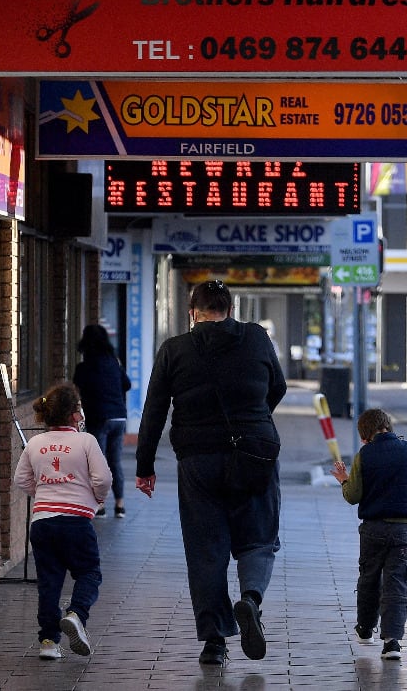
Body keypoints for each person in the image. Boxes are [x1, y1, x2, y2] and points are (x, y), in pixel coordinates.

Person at [135, 279, 287, 666]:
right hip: (254, 456)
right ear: (231, 310)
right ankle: (250, 599)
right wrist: (254, 420)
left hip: (198, 463)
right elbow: (279, 386)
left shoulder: (174, 349)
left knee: (206, 551)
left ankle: (214, 642)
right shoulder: (256, 338)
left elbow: (154, 411)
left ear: (192, 312)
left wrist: (145, 466)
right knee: (259, 537)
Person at [12, 382, 113, 661]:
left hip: (43, 522)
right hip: (76, 521)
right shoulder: (86, 441)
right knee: (89, 573)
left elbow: (21, 480)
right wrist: (97, 499)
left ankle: (48, 642)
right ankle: (76, 614)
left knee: (49, 582)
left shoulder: (35, 443)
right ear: (75, 414)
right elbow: (103, 479)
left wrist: (43, 493)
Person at [330, 408, 407, 661]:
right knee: (397, 583)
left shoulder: (364, 455)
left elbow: (353, 496)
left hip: (372, 530)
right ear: (388, 427)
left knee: (369, 579)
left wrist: (344, 480)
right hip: (402, 531)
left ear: (365, 435)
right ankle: (392, 642)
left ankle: (366, 629)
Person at [74, 324, 132, 517]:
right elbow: (127, 384)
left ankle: (100, 505)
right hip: (119, 417)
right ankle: (120, 505)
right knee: (115, 461)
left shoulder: (84, 368)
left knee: (98, 463)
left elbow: (76, 391)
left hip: (98, 418)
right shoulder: (113, 363)